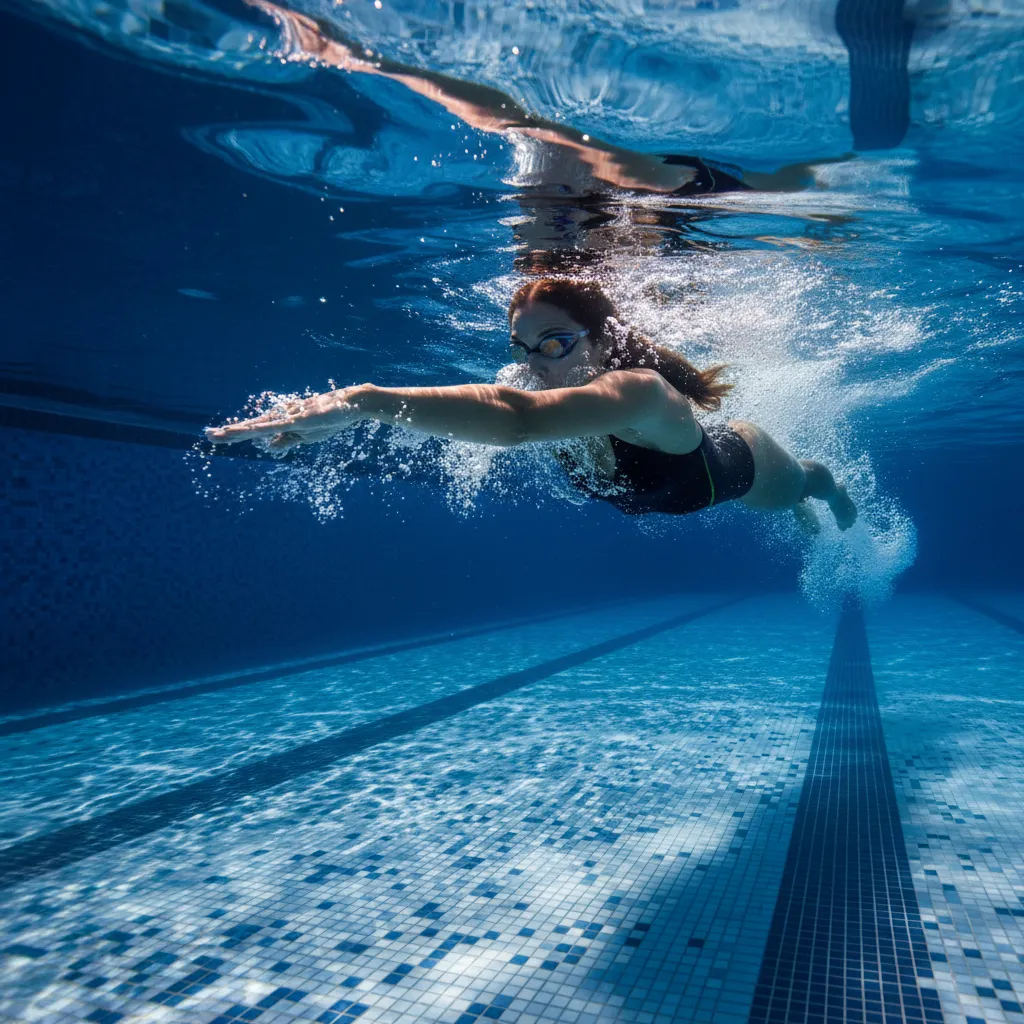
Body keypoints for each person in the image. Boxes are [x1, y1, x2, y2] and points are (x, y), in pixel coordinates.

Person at [206, 278, 857, 532]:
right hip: (671, 478)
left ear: (604, 341)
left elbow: (516, 423)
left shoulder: (639, 391)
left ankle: (819, 490)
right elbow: (493, 413)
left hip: (733, 471)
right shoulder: (551, 391)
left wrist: (363, 401)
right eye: (524, 349)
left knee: (801, 487)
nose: (536, 366)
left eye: (555, 342)